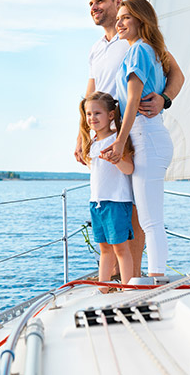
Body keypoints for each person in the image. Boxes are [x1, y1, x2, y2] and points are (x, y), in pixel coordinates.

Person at [76, 0, 184, 276]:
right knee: (112, 202)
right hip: (105, 135)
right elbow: (90, 95)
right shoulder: (97, 50)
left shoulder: (138, 44)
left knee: (136, 209)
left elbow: (176, 74)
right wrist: (82, 135)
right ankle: (117, 278)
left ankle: (134, 277)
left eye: (99, 1)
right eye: (90, 3)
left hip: (132, 133)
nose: (94, 7)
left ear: (117, 2)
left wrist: (164, 99)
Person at [101, 0, 175, 277]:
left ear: (141, 20)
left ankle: (156, 278)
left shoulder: (139, 50)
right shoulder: (151, 51)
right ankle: (153, 276)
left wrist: (119, 141)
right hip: (149, 137)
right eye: (118, 18)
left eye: (126, 18)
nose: (119, 23)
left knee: (150, 221)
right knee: (148, 218)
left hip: (146, 137)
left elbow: (132, 100)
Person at [79, 91, 136, 288]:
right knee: (104, 249)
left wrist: (116, 160)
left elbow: (129, 169)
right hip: (97, 203)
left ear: (110, 115)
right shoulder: (93, 143)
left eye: (97, 113)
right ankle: (103, 288)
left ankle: (127, 289)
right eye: (88, 114)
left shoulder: (117, 140)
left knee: (121, 249)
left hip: (116, 202)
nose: (92, 118)